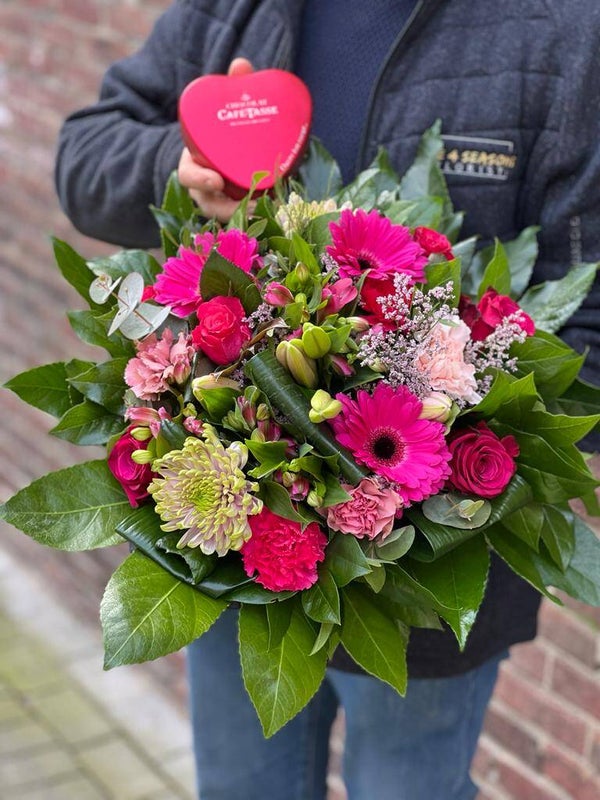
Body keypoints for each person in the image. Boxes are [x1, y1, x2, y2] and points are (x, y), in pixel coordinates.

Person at [54, 2, 600, 798]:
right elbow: (82, 157)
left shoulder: (561, 29)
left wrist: (441, 459)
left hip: (427, 587)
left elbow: (587, 319)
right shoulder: (239, 10)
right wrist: (181, 162)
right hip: (239, 559)